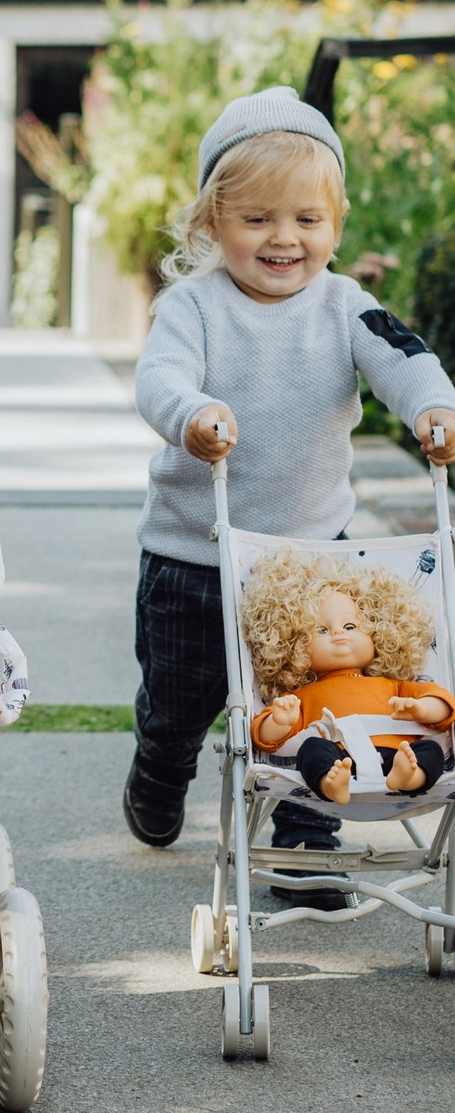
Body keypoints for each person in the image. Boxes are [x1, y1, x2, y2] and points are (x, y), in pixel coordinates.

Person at [126, 85, 455, 907]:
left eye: (307, 220)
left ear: (335, 226)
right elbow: (159, 376)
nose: (285, 239)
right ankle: (160, 773)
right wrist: (192, 415)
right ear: (212, 223)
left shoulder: (348, 307)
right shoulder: (193, 306)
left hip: (311, 563)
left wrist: (433, 408)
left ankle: (307, 851)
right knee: (180, 705)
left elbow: (405, 360)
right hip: (195, 555)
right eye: (259, 219)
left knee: (315, 707)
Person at [243, 551, 453, 803]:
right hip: (338, 758)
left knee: (429, 751)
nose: (338, 634)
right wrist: (280, 720)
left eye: (350, 627)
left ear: (377, 631)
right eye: (321, 630)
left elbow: (443, 705)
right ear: (293, 644)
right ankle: (329, 785)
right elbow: (263, 737)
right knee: (311, 750)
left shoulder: (393, 686)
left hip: (397, 754)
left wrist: (422, 709)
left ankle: (411, 777)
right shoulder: (303, 696)